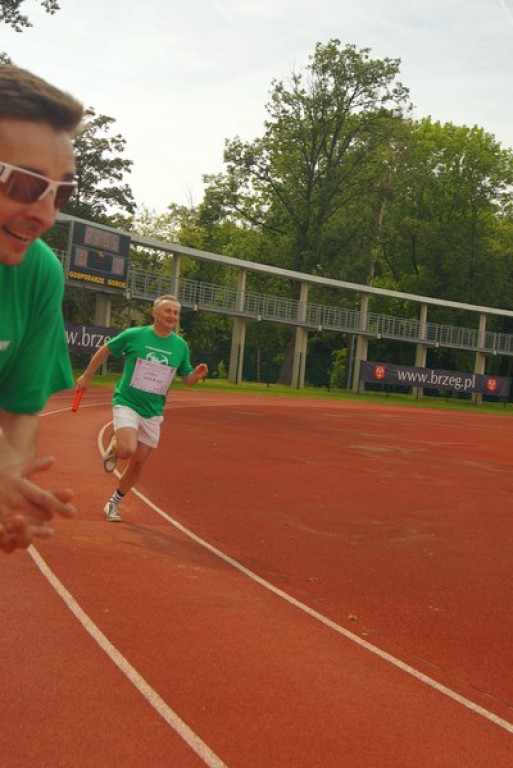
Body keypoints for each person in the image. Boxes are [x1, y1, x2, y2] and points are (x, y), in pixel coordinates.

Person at [0, 64, 83, 553]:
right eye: (27, 185)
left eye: (61, 192)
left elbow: (19, 412)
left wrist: (11, 487)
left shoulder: (37, 271)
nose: (46, 214)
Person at [76, 295, 208, 521]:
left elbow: (186, 379)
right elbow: (106, 350)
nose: (172, 316)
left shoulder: (180, 346)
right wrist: (86, 376)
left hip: (153, 411)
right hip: (127, 401)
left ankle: (113, 503)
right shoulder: (135, 335)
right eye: (168, 311)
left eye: (176, 313)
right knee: (127, 449)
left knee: (137, 464)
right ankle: (116, 446)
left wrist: (195, 376)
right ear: (155, 313)